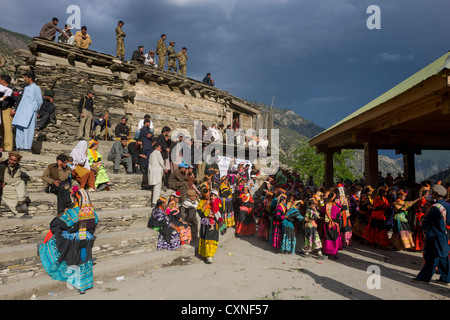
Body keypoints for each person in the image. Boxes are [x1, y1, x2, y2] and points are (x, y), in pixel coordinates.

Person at [39, 187, 99, 294]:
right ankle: (83, 286)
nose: (73, 200)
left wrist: (65, 214)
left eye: (74, 199)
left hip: (74, 241)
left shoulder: (72, 212)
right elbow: (95, 223)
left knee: (56, 238)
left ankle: (72, 279)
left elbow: (62, 223)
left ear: (77, 200)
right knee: (83, 261)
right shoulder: (92, 212)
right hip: (86, 239)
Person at [413, 184, 450, 285]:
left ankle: (424, 278)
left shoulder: (435, 207)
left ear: (434, 194)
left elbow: (427, 222)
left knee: (431, 257)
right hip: (443, 235)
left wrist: (423, 225)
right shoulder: (447, 205)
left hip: (434, 235)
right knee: (443, 256)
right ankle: (446, 279)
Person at [12, 71, 42, 152]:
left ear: (30, 79)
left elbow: (39, 101)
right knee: (19, 128)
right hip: (21, 111)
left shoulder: (36, 88)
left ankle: (27, 147)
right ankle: (19, 146)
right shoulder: (26, 88)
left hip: (30, 112)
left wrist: (35, 109)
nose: (24, 79)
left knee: (28, 130)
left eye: (25, 77)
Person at [0, 151, 31, 218]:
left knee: (19, 186)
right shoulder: (3, 166)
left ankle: (20, 202)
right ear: (8, 158)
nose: (12, 162)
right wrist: (18, 182)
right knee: (19, 184)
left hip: (8, 184)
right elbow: (8, 180)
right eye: (10, 159)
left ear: (18, 161)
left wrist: (16, 181)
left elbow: (15, 178)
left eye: (14, 160)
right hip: (2, 186)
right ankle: (20, 212)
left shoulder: (17, 167)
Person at [0, 74, 22, 152]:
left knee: (7, 129)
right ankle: (2, 146)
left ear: (3, 81)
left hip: (7, 110)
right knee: (1, 129)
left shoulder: (12, 90)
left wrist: (14, 109)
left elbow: (19, 99)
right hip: (0, 110)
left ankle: (8, 148)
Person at [197, 191, 220, 263]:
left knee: (212, 238)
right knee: (206, 238)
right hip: (205, 223)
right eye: (211, 195)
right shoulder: (202, 202)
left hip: (213, 223)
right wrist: (206, 204)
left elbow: (220, 214)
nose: (212, 197)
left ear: (216, 196)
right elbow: (200, 213)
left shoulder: (218, 203)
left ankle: (210, 255)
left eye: (214, 196)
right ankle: (206, 254)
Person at [322, 192, 343, 260]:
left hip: (326, 224)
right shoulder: (336, 207)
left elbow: (322, 213)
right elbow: (339, 217)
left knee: (327, 238)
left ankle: (326, 252)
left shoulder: (326, 205)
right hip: (334, 225)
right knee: (334, 239)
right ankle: (333, 253)